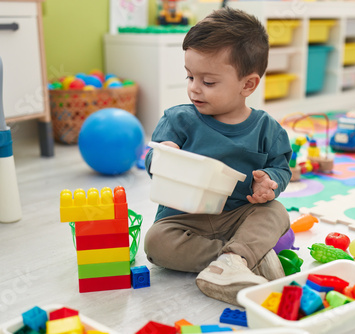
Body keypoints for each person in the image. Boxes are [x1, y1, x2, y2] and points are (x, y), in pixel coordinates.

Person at [143, 7, 292, 306]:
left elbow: (281, 168)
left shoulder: (267, 129)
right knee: (155, 243)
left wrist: (269, 182)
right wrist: (163, 158)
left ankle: (236, 259)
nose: (194, 89)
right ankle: (237, 260)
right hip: (184, 220)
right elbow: (152, 161)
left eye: (208, 82)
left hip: (238, 215)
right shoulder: (178, 120)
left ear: (247, 85)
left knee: (276, 212)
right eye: (189, 77)